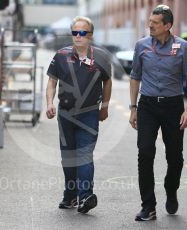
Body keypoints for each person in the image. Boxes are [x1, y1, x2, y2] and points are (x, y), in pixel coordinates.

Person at [129, 5, 187, 221]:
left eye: (155, 22)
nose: (150, 25)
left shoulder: (183, 47)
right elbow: (135, 76)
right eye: (150, 21)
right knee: (145, 152)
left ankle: (171, 189)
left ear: (168, 25)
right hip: (147, 105)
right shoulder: (141, 45)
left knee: (175, 156)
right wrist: (133, 107)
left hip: (173, 106)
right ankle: (148, 206)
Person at [46, 16, 112, 214]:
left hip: (89, 114)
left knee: (84, 155)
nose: (78, 36)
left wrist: (105, 107)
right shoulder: (60, 55)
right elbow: (51, 81)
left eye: (82, 33)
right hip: (65, 113)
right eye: (75, 32)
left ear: (90, 35)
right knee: (68, 157)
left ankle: (85, 197)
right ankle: (70, 196)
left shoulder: (100, 57)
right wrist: (49, 103)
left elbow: (107, 82)